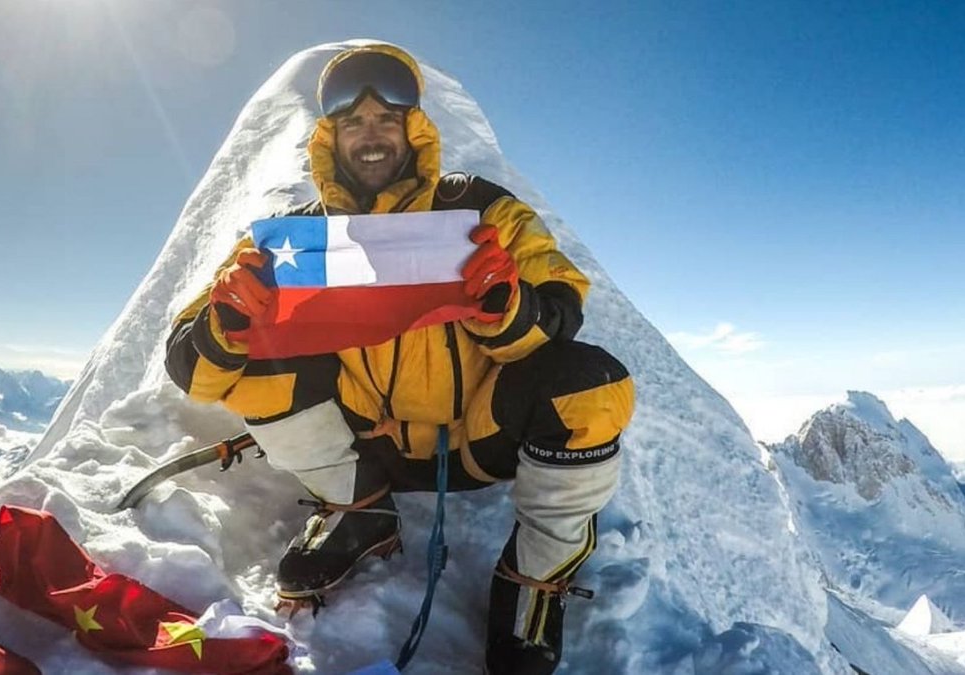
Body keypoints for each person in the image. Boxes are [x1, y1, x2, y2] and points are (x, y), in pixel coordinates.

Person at [165, 43, 635, 675]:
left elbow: (560, 309)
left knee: (589, 384)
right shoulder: (294, 240)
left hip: (476, 439)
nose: (371, 135)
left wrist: (507, 309)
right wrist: (228, 320)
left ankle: (534, 574)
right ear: (331, 137)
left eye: (385, 119)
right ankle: (360, 512)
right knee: (251, 350)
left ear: (413, 127)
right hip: (366, 448)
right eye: (354, 122)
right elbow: (192, 366)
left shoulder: (479, 212)